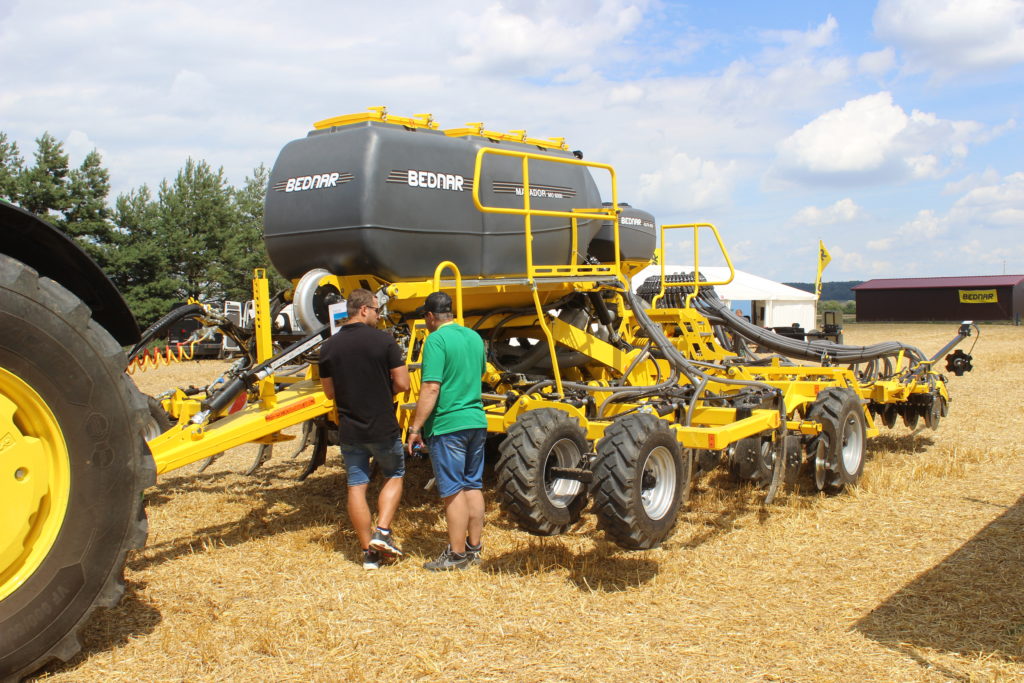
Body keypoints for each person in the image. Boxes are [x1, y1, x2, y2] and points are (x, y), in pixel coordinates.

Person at [319, 288, 410, 570]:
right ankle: (382, 531)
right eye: (376, 309)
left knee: (356, 486)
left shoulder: (329, 347)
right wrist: (386, 392)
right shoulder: (384, 341)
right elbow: (404, 384)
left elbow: (329, 393)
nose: (378, 315)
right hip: (382, 424)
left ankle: (368, 552)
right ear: (363, 310)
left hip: (350, 429)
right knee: (394, 473)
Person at [406, 291, 487, 571]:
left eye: (424, 318)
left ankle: (456, 554)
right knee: (472, 485)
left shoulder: (436, 340)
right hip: (476, 420)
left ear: (430, 316)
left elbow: (431, 386)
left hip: (448, 423)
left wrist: (415, 427)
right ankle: (474, 548)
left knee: (452, 490)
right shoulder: (474, 337)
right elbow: (481, 373)